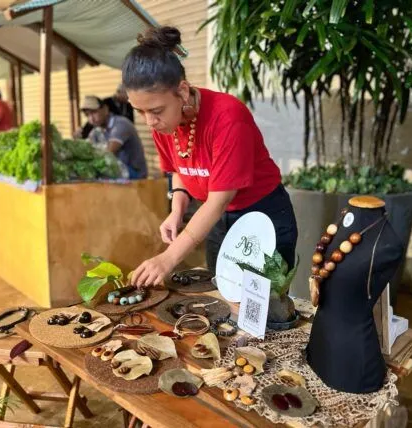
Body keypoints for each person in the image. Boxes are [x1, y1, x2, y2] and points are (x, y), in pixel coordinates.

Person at [124, 26, 298, 287]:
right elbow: (178, 169)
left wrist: (169, 257)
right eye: (140, 111)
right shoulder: (163, 123)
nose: (150, 121)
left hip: (261, 215)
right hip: (215, 220)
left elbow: (218, 201)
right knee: (220, 295)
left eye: (156, 110)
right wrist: (177, 210)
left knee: (261, 305)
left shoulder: (227, 117)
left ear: (182, 91)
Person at [80, 95, 148, 179]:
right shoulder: (97, 130)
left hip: (134, 174)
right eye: (87, 115)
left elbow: (109, 153)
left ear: (105, 109)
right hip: (119, 172)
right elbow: (87, 148)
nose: (91, 119)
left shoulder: (120, 124)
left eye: (94, 112)